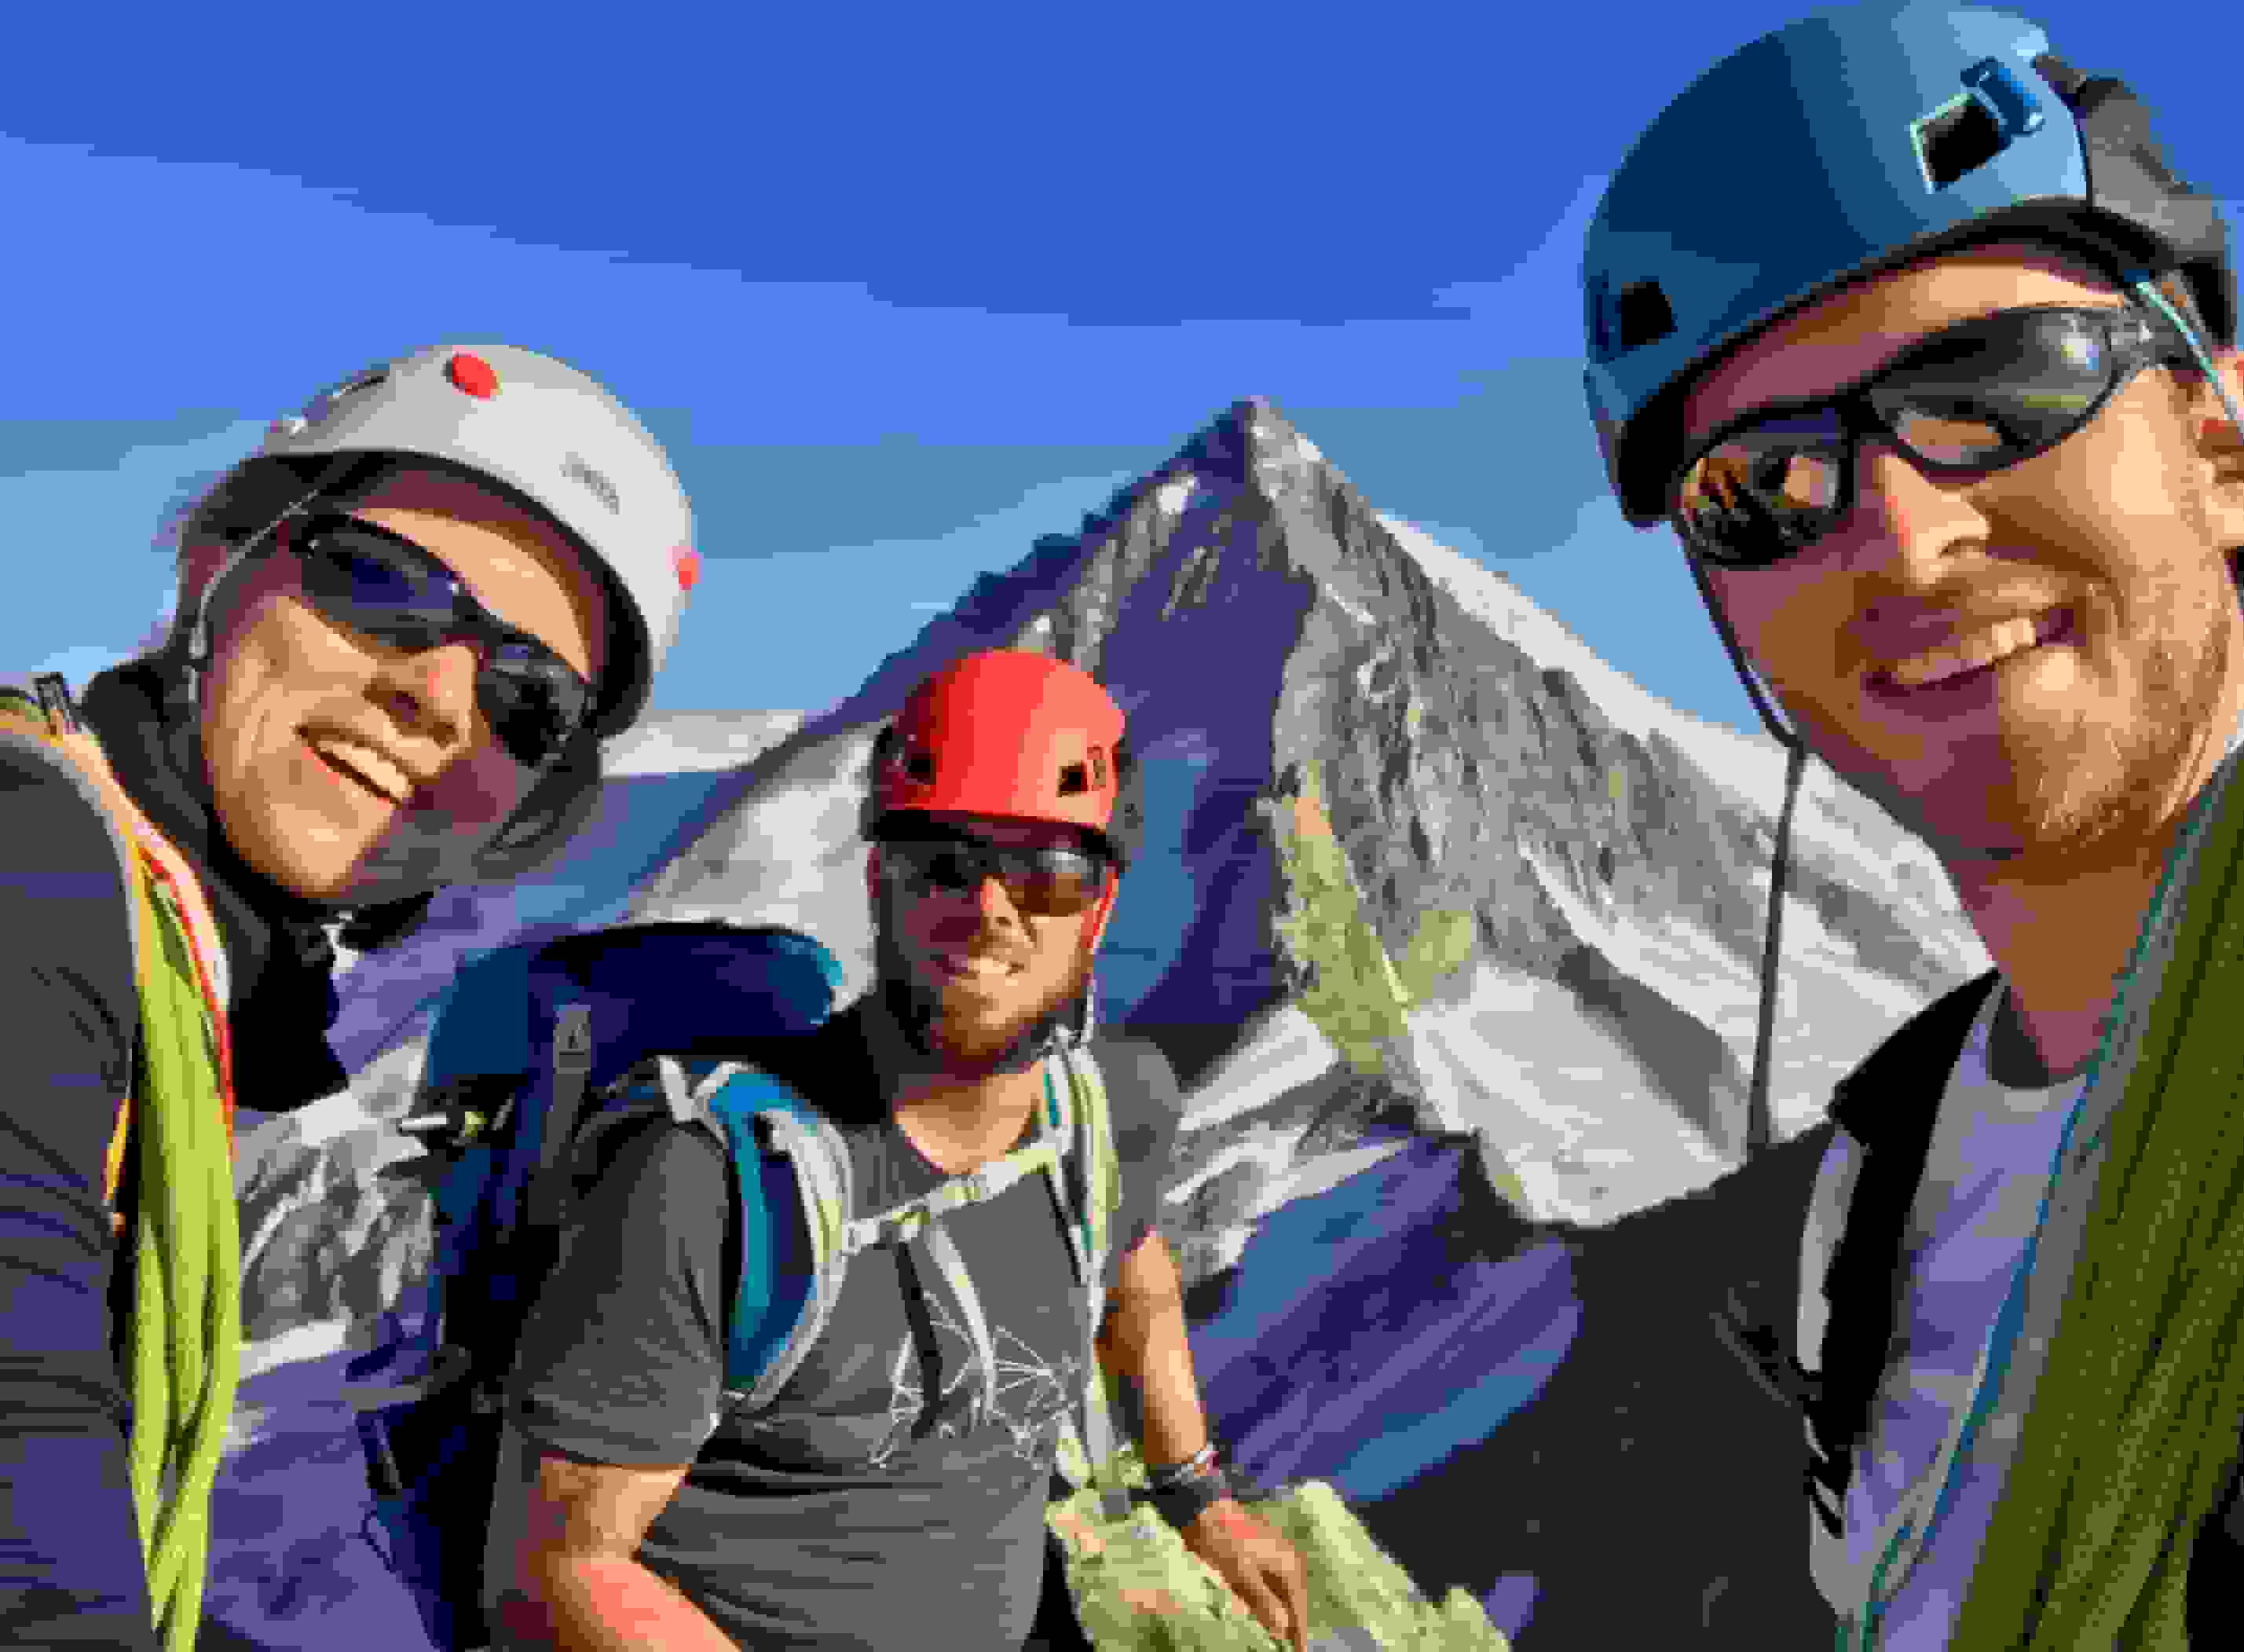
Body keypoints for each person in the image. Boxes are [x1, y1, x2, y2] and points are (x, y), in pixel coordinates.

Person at [1580, 0, 2244, 1646]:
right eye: (1759, 487)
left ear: (2219, 443)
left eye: (1987, 385)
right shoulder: (1869, 1206)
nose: (1895, 531)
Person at [0, 342, 698, 1650]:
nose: (436, 696)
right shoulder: (34, 868)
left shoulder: (167, 947)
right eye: (380, 585)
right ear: (220, 565)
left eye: (528, 701)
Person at [489, 648, 1312, 1652]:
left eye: (1046, 870)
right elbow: (561, 1568)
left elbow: (1132, 1269)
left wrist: (1200, 1499)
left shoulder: (1110, 1113)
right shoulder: (714, 1181)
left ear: (1098, 907)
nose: (991, 908)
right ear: (882, 878)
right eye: (945, 864)